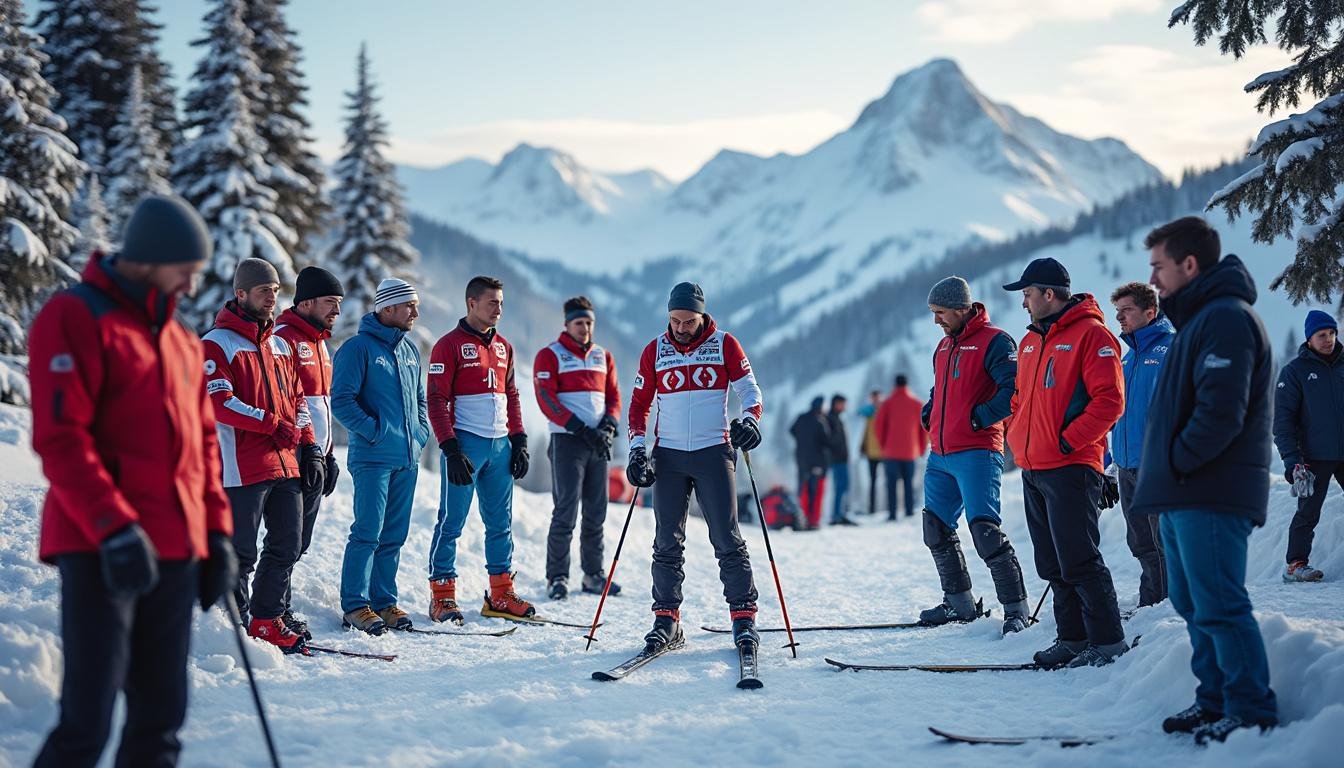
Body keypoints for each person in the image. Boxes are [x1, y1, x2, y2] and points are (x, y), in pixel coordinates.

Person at [29, 195, 237, 766]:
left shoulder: (179, 341)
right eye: (185, 272)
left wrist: (215, 536)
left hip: (173, 550)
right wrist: (114, 528)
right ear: (150, 259)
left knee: (160, 721)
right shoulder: (75, 316)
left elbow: (201, 451)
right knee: (87, 722)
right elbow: (61, 440)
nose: (191, 287)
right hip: (100, 547)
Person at [1131, 217, 1277, 743]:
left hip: (1210, 491)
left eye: (1158, 266)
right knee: (1193, 602)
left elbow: (1220, 413)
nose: (1153, 279)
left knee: (1219, 600)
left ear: (1189, 265)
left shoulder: (1226, 320)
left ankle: (1250, 707)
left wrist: (1175, 464)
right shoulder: (1198, 321)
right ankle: (1214, 698)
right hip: (1186, 489)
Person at [626, 282, 764, 653]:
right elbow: (638, 408)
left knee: (727, 539)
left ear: (702, 316)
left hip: (713, 453)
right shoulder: (655, 350)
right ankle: (666, 621)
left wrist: (750, 422)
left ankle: (744, 619)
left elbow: (750, 392)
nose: (681, 328)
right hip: (668, 456)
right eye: (675, 320)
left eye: (689, 321)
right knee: (666, 542)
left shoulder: (724, 344)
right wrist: (637, 452)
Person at [1003, 256, 1127, 669]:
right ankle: (1072, 638)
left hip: (1071, 466)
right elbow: (1020, 398)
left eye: (1027, 294)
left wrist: (1065, 442)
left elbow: (1110, 401)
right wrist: (1020, 432)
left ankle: (1107, 643)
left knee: (1079, 559)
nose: (1023, 302)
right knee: (1051, 561)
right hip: (1033, 467)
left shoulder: (1093, 335)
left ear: (1048, 294)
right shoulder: (1029, 341)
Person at [202, 258, 319, 654]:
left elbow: (299, 399)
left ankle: (266, 619)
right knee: (241, 551)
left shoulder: (281, 345)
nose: (272, 297)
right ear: (241, 294)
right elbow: (220, 403)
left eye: (274, 290)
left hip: (286, 461)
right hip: (241, 466)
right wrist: (272, 423)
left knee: (288, 543)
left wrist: (307, 443)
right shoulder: (217, 343)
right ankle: (231, 625)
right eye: (263, 290)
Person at [917, 276, 1030, 634]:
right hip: (941, 453)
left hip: (978, 452)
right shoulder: (944, 346)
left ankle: (1016, 610)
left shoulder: (996, 342)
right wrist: (930, 412)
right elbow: (941, 388)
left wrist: (977, 418)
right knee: (935, 528)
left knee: (985, 531)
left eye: (940, 313)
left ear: (961, 308)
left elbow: (1012, 389)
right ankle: (959, 604)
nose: (936, 320)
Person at [427, 276, 534, 623]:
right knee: (452, 522)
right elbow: (436, 400)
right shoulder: (449, 345)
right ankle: (442, 596)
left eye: (501, 303)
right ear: (471, 303)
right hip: (466, 444)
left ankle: (501, 594)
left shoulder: (504, 346)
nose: (498, 309)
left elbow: (512, 395)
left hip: (500, 446)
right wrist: (450, 448)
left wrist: (519, 441)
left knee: (500, 523)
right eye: (492, 303)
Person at [331, 277, 430, 635]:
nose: (415, 311)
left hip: (407, 457)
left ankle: (384, 601)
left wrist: (420, 434)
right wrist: (375, 431)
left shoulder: (409, 350)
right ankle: (355, 606)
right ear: (387, 308)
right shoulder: (357, 348)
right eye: (409, 305)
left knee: (394, 534)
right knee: (368, 532)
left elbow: (420, 400)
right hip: (372, 457)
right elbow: (341, 400)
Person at [272, 266, 345, 638]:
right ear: (307, 301)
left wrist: (328, 454)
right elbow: (292, 402)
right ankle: (273, 609)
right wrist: (309, 447)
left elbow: (322, 403)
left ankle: (280, 605)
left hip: (317, 453)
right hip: (296, 451)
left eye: (339, 303)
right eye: (331, 302)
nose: (337, 310)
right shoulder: (284, 338)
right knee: (286, 537)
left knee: (300, 540)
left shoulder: (320, 342)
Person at [533, 296, 622, 599]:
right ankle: (557, 576)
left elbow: (614, 396)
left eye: (589, 323)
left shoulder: (603, 356)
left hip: (598, 442)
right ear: (567, 324)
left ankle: (593, 575)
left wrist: (608, 426)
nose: (585, 328)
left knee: (597, 511)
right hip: (567, 441)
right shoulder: (551, 354)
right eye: (579, 323)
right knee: (566, 509)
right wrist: (580, 428)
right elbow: (546, 398)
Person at [1109, 281, 1174, 607]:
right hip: (1126, 465)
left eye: (1127, 310)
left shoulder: (1172, 350)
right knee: (1141, 541)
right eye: (1117, 311)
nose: (1119, 317)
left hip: (1159, 466)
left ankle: (1172, 607)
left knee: (1166, 542)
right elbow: (1116, 412)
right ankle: (1151, 604)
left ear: (1150, 312)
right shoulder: (1128, 357)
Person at [1274, 310, 1344, 583]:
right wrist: (1293, 462)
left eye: (1332, 333)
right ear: (1309, 339)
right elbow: (1283, 423)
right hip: (1314, 456)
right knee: (1308, 512)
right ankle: (1295, 565)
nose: (1328, 340)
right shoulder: (1295, 372)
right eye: (1321, 335)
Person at [874, 375, 929, 520]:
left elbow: (879, 427)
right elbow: (923, 429)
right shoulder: (917, 403)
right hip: (910, 452)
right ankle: (909, 512)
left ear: (895, 384)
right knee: (908, 483)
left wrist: (883, 445)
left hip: (891, 452)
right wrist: (921, 448)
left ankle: (892, 514)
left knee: (891, 484)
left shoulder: (887, 403)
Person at [789, 396, 831, 530]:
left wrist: (802, 441)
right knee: (814, 492)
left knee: (802, 490)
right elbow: (826, 441)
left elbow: (792, 430)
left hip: (801, 460)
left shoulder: (801, 418)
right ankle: (812, 521)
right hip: (816, 462)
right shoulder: (820, 421)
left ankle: (801, 519)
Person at [826, 394, 856, 525]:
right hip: (837, 459)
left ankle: (841, 513)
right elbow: (829, 440)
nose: (844, 406)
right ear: (836, 403)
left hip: (842, 458)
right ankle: (836, 515)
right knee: (840, 487)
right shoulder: (830, 418)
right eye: (842, 403)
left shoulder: (837, 418)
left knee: (844, 486)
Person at [857, 390, 883, 515]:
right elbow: (866, 432)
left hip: (884, 452)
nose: (875, 401)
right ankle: (872, 508)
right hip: (872, 453)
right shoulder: (869, 414)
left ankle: (887, 507)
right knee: (872, 481)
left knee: (888, 480)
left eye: (877, 398)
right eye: (873, 399)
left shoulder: (884, 412)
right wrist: (862, 447)